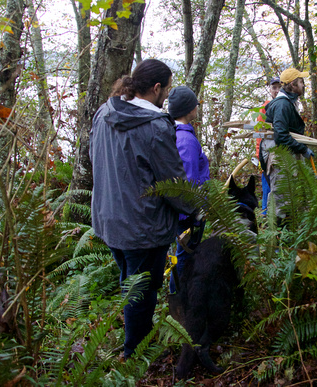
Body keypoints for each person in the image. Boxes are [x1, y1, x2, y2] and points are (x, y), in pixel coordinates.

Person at [89, 59, 194, 359]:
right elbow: (173, 183)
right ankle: (135, 353)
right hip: (142, 226)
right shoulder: (155, 127)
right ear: (157, 88)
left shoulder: (105, 112)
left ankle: (135, 345)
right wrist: (195, 209)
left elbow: (92, 155)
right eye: (167, 89)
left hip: (110, 219)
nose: (167, 96)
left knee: (130, 282)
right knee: (141, 292)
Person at [167, 86, 209, 294]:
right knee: (184, 255)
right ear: (188, 109)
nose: (197, 108)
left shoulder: (175, 133)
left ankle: (178, 295)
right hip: (188, 215)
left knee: (181, 254)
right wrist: (195, 214)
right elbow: (188, 181)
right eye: (195, 104)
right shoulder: (185, 140)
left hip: (183, 212)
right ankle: (178, 298)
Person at [263, 68, 315, 220]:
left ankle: (288, 238)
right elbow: (281, 136)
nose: (303, 85)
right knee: (281, 203)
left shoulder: (288, 103)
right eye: (300, 82)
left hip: (285, 159)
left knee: (290, 199)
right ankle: (279, 239)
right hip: (280, 160)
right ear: (292, 85)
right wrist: (302, 149)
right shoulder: (282, 105)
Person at [257, 77, 281, 215]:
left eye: (279, 87)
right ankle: (266, 215)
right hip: (267, 154)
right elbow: (259, 134)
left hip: (279, 153)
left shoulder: (284, 105)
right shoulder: (264, 108)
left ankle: (275, 215)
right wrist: (259, 156)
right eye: (274, 88)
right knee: (267, 185)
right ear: (270, 89)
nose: (277, 91)